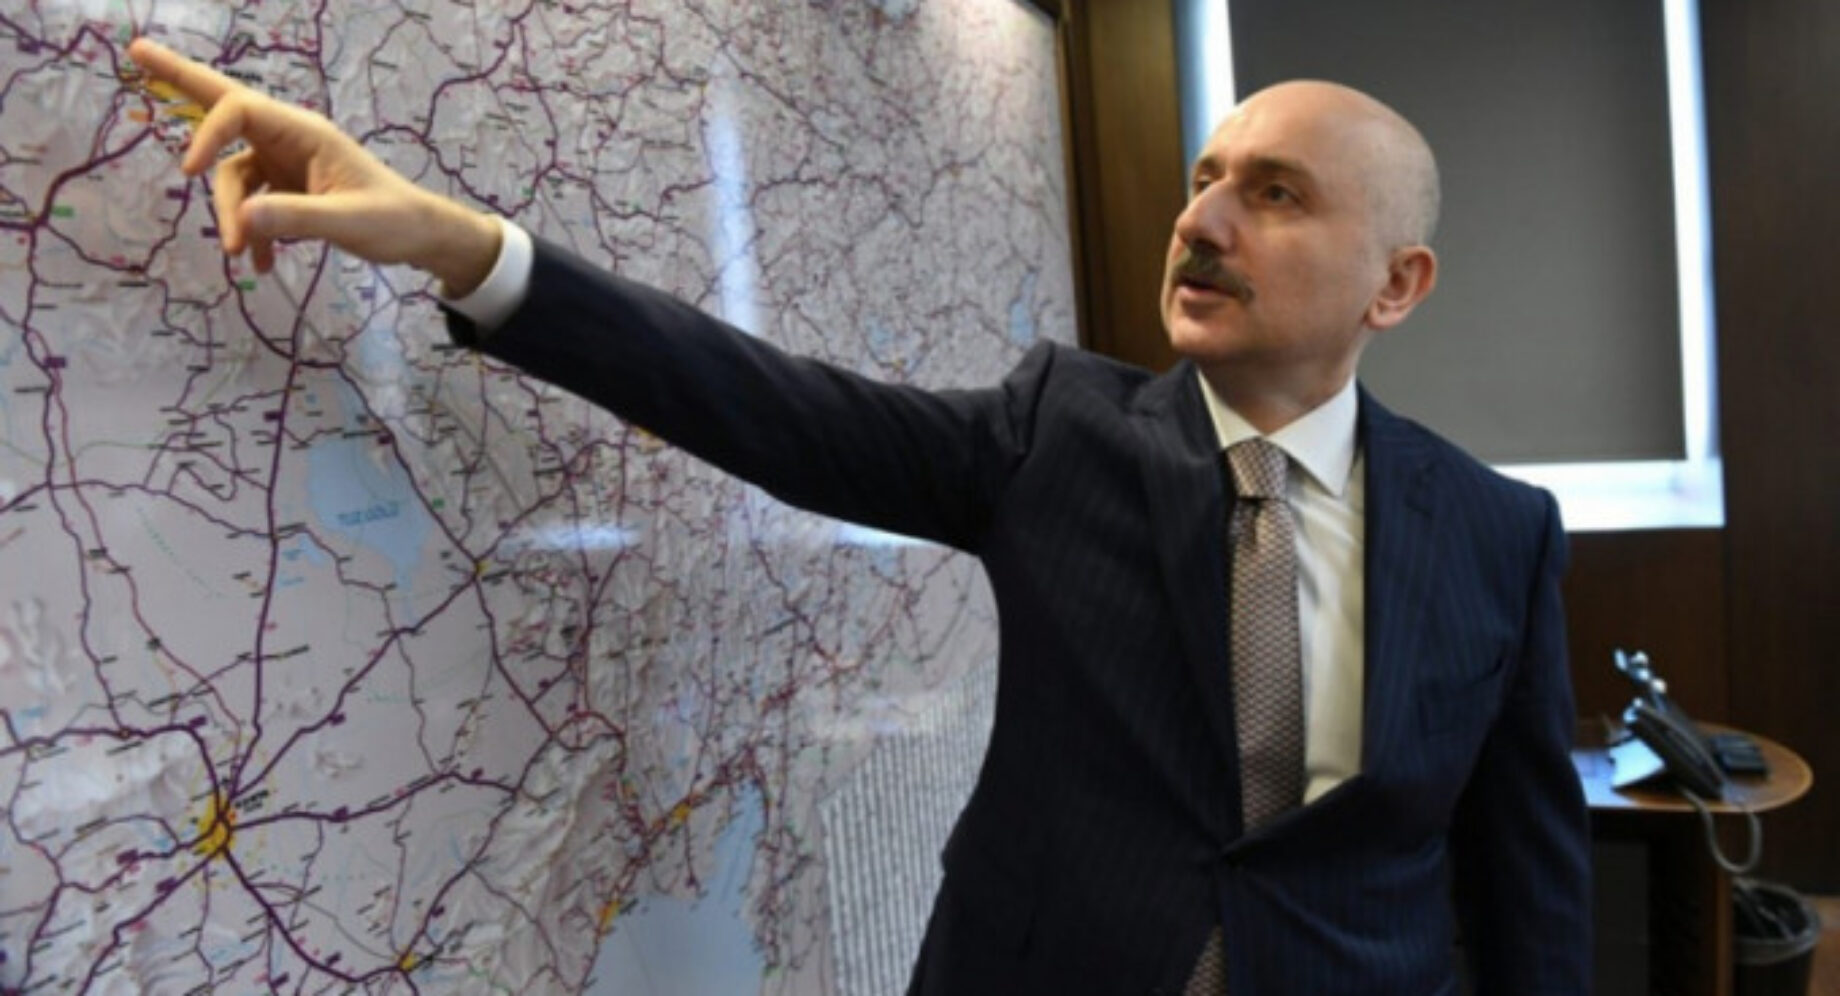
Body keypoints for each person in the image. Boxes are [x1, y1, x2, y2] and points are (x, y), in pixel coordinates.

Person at [125, 37, 1590, 995]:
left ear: (1397, 284)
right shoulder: (1057, 434)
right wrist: (457, 245)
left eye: (1273, 195)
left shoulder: (1497, 535)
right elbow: (764, 404)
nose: (1200, 220)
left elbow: (1528, 878)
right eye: (1204, 181)